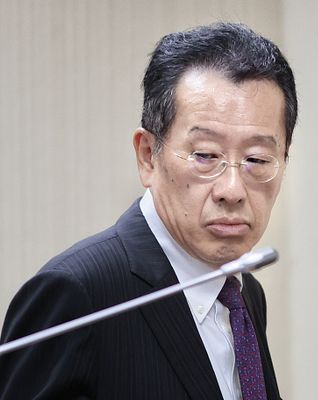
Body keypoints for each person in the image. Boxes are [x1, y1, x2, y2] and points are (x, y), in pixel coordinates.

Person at [0, 22, 297, 400]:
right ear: (147, 156)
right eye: (205, 155)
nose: (232, 190)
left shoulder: (243, 292)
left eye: (257, 159)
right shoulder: (77, 295)